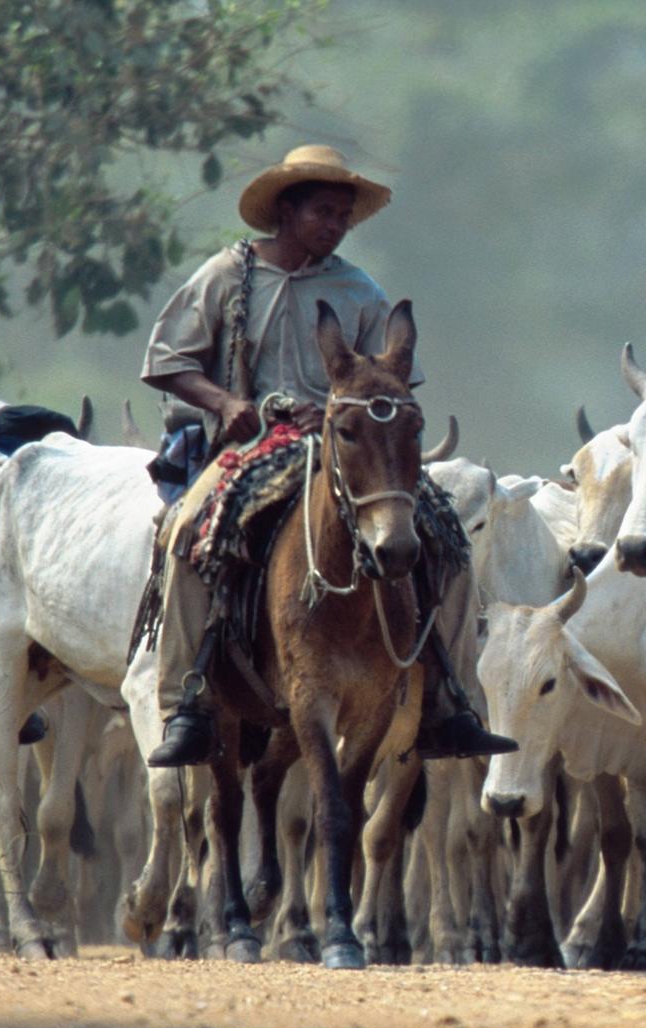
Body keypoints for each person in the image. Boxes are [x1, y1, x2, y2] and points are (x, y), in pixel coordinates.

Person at [138, 144, 514, 767]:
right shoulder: (228, 276)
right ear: (285, 211)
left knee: (446, 541)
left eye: (343, 215)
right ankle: (188, 701)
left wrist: (351, 410)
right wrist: (226, 402)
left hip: (351, 451)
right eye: (323, 212)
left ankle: (450, 699)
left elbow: (392, 382)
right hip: (251, 447)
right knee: (184, 533)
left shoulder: (358, 290)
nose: (335, 225)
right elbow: (166, 362)